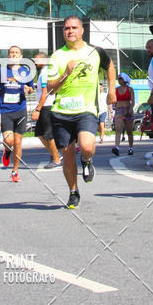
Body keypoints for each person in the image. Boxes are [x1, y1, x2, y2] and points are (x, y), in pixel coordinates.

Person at [47, 15, 116, 208]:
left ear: (82, 30)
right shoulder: (57, 56)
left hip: (86, 109)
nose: (70, 31)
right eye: (66, 28)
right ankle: (73, 191)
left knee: (86, 147)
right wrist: (66, 73)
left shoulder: (95, 52)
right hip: (61, 112)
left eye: (74, 27)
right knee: (68, 156)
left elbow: (110, 66)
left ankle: (86, 160)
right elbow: (51, 89)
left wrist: (112, 90)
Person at [0, 45, 35, 182]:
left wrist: (28, 90)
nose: (14, 55)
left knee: (17, 142)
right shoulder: (2, 71)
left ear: (21, 56)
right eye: (11, 53)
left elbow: (31, 88)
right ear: (8, 56)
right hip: (6, 110)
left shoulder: (25, 71)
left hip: (20, 110)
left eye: (16, 53)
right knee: (9, 141)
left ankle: (15, 171)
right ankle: (7, 150)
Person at [30, 52, 62, 169]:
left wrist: (38, 109)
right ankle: (56, 155)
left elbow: (45, 93)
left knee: (48, 134)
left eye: (37, 60)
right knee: (39, 133)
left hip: (46, 107)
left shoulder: (45, 73)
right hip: (44, 106)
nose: (35, 62)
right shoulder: (43, 73)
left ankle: (57, 160)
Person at [111, 72, 135, 156]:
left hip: (128, 110)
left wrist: (131, 108)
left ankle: (130, 148)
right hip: (119, 111)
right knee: (118, 129)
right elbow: (114, 100)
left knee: (129, 131)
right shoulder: (116, 89)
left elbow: (132, 100)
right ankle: (116, 147)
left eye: (120, 79)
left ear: (125, 79)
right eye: (118, 79)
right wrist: (113, 106)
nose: (119, 80)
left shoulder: (130, 89)